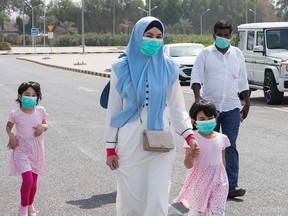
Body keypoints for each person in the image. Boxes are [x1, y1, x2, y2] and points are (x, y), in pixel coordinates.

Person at [105, 16, 200, 216]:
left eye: (158, 37)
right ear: (138, 36)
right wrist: (110, 150)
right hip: (129, 143)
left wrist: (189, 137)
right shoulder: (120, 67)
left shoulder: (169, 67)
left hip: (161, 142)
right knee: (131, 200)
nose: (154, 40)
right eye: (148, 35)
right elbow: (113, 110)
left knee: (157, 197)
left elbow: (176, 107)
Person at [190, 20, 250, 199]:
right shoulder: (205, 54)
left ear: (230, 36)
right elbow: (196, 77)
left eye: (227, 35)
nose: (223, 38)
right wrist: (198, 100)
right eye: (220, 35)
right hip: (210, 110)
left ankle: (231, 186)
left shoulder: (237, 54)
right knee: (209, 147)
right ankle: (205, 185)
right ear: (214, 35)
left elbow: (243, 80)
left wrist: (247, 103)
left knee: (229, 145)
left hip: (232, 108)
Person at [174, 99, 230, 216]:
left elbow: (222, 160)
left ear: (216, 117)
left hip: (219, 181)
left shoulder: (223, 138)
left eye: (210, 118)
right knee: (197, 212)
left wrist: (224, 177)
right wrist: (191, 154)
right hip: (199, 181)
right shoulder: (192, 139)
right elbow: (188, 164)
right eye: (202, 119)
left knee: (217, 212)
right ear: (194, 121)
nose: (207, 121)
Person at [6, 81, 48, 216]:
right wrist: (11, 136)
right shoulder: (15, 113)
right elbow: (8, 126)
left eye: (34, 95)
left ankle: (30, 206)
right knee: (28, 179)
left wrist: (43, 127)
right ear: (20, 96)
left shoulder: (41, 111)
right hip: (21, 148)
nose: (30, 97)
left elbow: (45, 124)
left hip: (36, 149)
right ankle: (23, 207)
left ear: (37, 97)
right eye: (27, 94)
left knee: (34, 181)